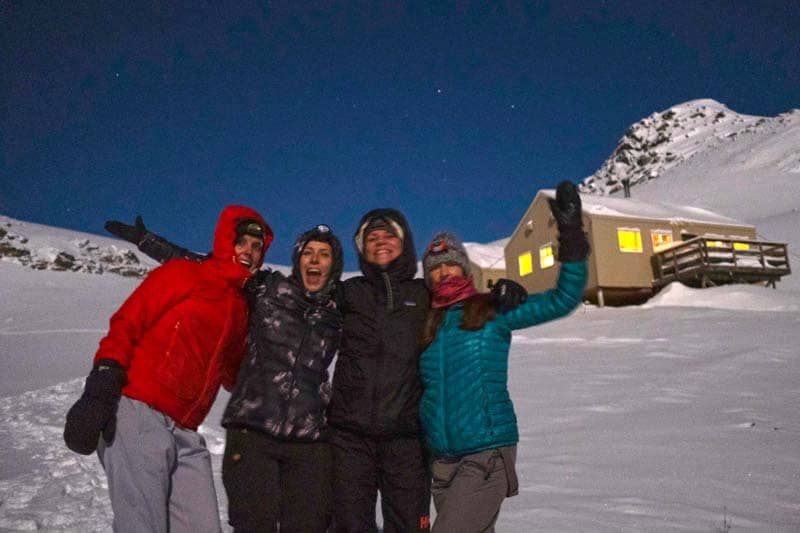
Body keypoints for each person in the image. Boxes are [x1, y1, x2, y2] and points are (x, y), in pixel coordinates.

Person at [103, 217, 345, 532]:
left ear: (334, 265)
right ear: (297, 259)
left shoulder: (340, 311)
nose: (314, 260)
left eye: (324, 254)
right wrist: (149, 242)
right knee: (252, 522)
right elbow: (208, 267)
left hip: (308, 436)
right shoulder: (269, 288)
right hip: (254, 427)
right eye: (308, 252)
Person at [63, 205, 271, 533]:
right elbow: (127, 323)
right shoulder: (184, 273)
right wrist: (100, 386)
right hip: (138, 413)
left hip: (186, 432)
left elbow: (234, 376)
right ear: (224, 241)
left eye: (256, 246)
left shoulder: (242, 310)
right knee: (142, 525)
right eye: (241, 242)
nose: (248, 251)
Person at [417, 181, 589, 532]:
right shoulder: (426, 324)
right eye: (435, 267)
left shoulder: (491, 310)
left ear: (465, 269)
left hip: (486, 453)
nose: (443, 272)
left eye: (450, 264)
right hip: (443, 464)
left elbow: (563, 299)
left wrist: (571, 237)